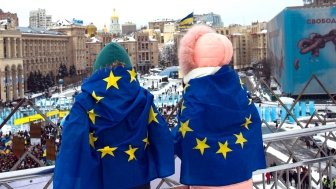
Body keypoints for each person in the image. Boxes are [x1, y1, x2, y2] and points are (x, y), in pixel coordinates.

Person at [53, 42, 174, 189]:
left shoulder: (84, 103)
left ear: (97, 70)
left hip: (102, 180)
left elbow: (71, 149)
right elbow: (162, 137)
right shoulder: (143, 99)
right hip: (138, 181)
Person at [173, 24, 266, 188]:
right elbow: (253, 123)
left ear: (191, 58)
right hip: (241, 176)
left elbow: (185, 134)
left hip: (207, 178)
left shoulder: (194, 92)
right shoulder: (237, 87)